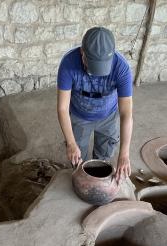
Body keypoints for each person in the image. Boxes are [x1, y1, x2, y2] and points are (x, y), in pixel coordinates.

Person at [56, 27, 133, 182]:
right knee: (78, 161)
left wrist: (124, 154)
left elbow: (126, 113)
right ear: (82, 53)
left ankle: (99, 183)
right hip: (79, 115)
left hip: (108, 116)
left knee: (104, 159)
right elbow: (62, 108)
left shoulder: (121, 68)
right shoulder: (68, 64)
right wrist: (70, 143)